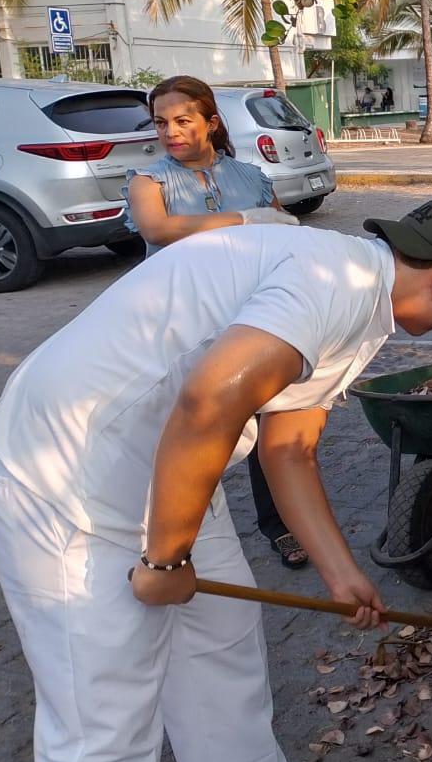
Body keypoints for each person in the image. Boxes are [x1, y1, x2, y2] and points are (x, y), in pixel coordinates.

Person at [0, 199, 432, 762]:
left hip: (168, 468)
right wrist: (166, 559)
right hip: (66, 470)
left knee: (223, 659)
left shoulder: (362, 298)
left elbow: (288, 448)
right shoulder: (336, 284)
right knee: (103, 717)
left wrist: (340, 573)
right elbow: (209, 403)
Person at [123, 74, 310, 571]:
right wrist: (243, 221)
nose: (171, 131)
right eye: (161, 122)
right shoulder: (148, 183)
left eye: (183, 120)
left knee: (268, 421)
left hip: (248, 319)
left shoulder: (250, 177)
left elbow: (282, 238)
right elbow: (158, 230)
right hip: (177, 327)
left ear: (210, 122)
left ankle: (281, 525)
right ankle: (169, 531)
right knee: (184, 427)